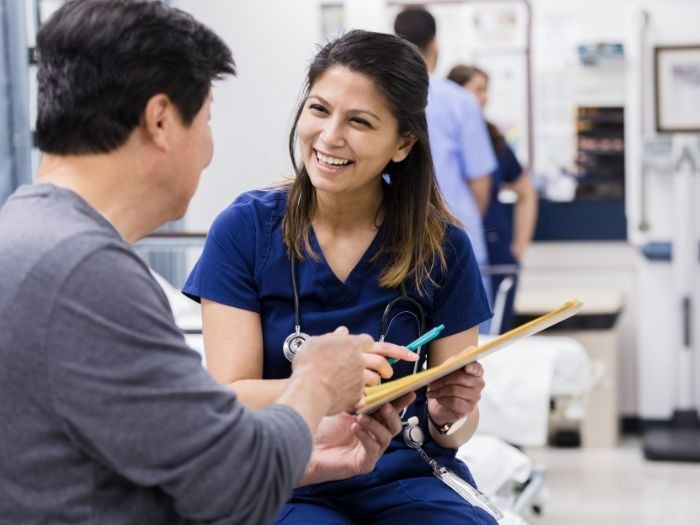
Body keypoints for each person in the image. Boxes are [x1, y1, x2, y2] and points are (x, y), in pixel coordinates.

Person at [0, 2, 406, 523]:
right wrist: (317, 381)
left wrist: (303, 460)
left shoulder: (27, 235)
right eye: (208, 121)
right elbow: (229, 487)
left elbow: (178, 461)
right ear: (162, 120)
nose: (210, 149)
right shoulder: (85, 272)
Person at [183, 30, 496, 524]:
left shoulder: (442, 247)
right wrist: (335, 383)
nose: (330, 136)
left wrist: (446, 414)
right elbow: (231, 395)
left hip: (409, 475)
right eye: (319, 110)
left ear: (403, 143)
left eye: (360, 121)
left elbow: (454, 429)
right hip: (290, 478)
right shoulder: (245, 231)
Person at [394, 7, 498, 314]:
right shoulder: (461, 101)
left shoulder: (388, 99)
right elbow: (480, 183)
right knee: (471, 352)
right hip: (459, 240)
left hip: (400, 245)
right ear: (435, 43)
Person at [447, 64, 538, 332]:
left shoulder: (493, 140)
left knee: (497, 336)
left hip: (495, 253)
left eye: (486, 90)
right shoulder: (439, 137)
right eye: (477, 89)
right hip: (458, 251)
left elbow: (526, 192)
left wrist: (519, 247)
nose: (484, 97)